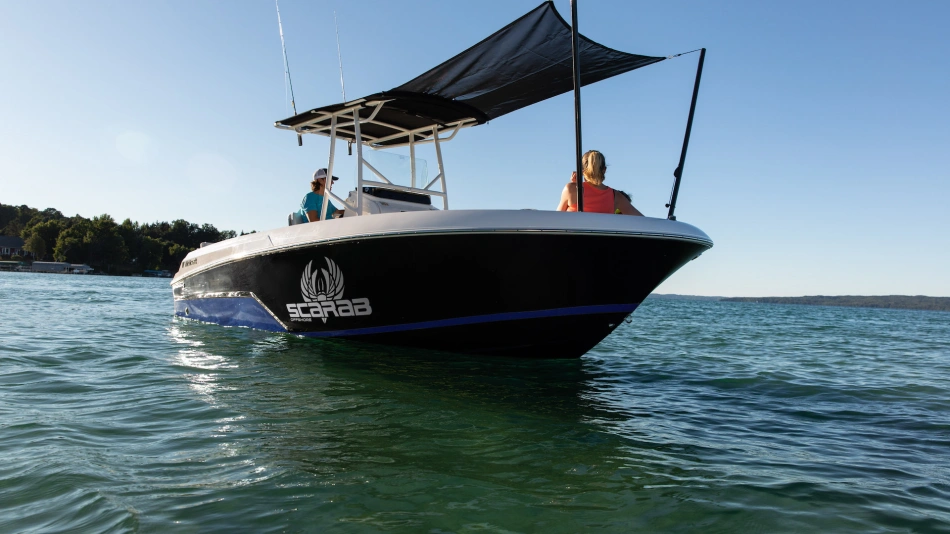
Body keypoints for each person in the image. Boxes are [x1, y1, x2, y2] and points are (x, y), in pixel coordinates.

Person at [556, 150, 643, 216]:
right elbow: (642, 220)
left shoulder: (570, 189)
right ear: (604, 170)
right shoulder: (616, 196)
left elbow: (557, 219)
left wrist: (575, 186)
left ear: (582, 171)